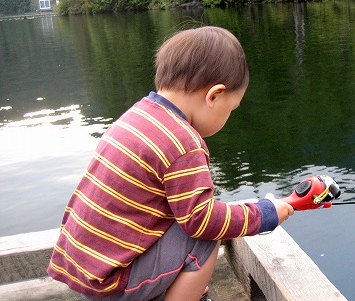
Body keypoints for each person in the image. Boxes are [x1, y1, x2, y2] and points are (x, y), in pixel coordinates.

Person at [47, 26, 294, 301]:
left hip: (84, 268)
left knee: (187, 218)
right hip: (112, 284)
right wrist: (265, 215)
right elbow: (204, 222)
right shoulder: (183, 143)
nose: (229, 117)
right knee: (205, 236)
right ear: (213, 95)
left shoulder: (138, 115)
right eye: (231, 109)